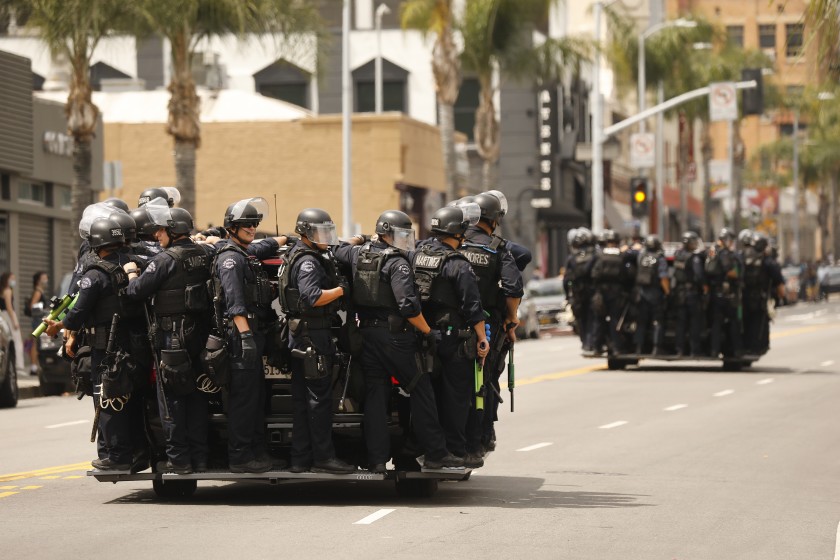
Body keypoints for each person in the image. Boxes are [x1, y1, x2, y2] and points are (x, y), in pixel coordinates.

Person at [333, 210, 463, 472]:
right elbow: (408, 307)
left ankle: (377, 461)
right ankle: (437, 453)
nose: (405, 239)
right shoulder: (398, 263)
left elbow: (338, 248)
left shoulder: (359, 254)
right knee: (421, 389)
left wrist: (359, 238)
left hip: (367, 336)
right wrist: (428, 332)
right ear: (388, 233)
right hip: (396, 338)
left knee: (375, 398)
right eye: (402, 234)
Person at [45, 216, 145, 471]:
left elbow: (78, 311)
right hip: (133, 343)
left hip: (106, 346)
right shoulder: (135, 263)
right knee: (131, 398)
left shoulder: (95, 273)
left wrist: (60, 325)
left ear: (96, 243)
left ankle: (118, 457)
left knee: (108, 399)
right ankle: (136, 451)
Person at [123, 203, 216, 474]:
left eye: (161, 231)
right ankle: (199, 458)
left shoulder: (166, 259)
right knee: (197, 397)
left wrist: (131, 273)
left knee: (172, 399)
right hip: (198, 337)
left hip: (172, 338)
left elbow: (136, 292)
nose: (156, 236)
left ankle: (179, 459)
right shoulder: (203, 254)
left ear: (173, 231)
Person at [277, 208, 356, 475]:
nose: (326, 237)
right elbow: (312, 296)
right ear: (307, 233)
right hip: (314, 336)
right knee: (318, 400)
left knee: (302, 400)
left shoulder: (298, 254)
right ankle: (323, 457)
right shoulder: (308, 261)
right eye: (321, 232)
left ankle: (300, 459)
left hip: (302, 335)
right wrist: (341, 290)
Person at [212, 197, 285, 473]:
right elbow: (234, 303)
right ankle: (241, 456)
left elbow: (262, 245)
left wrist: (285, 238)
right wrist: (245, 338)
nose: (252, 228)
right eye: (246, 224)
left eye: (255, 223)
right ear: (232, 227)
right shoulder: (231, 259)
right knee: (243, 400)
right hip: (242, 335)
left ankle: (257, 452)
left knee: (255, 398)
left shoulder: (245, 252)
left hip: (254, 333)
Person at [413, 204, 489, 466]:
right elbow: (472, 305)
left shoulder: (417, 254)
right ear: (458, 233)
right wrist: (482, 337)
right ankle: (454, 451)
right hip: (453, 338)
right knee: (456, 397)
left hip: (423, 335)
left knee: (427, 395)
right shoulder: (458, 264)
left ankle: (429, 448)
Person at [458, 191, 522, 457]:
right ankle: (481, 438)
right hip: (487, 326)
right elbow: (513, 289)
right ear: (495, 219)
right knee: (485, 382)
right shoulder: (498, 248)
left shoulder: (454, 243)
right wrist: (511, 319)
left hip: (451, 324)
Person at [741, 232, 784, 356]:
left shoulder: (742, 256)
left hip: (742, 298)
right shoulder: (768, 261)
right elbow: (779, 283)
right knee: (758, 324)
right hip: (759, 299)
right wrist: (781, 298)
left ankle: (744, 347)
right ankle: (755, 348)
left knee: (745, 323)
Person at [590, 230, 632, 354]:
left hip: (601, 292)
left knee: (599, 319)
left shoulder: (600, 255)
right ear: (617, 242)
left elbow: (594, 274)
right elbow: (626, 275)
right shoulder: (621, 255)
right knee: (615, 320)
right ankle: (617, 348)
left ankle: (597, 347)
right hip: (616, 292)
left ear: (607, 242)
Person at [706, 228, 742, 358]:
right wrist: (738, 275)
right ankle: (736, 351)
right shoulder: (724, 253)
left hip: (715, 293)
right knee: (733, 323)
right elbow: (730, 272)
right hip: (726, 295)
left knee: (716, 324)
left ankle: (714, 351)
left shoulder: (712, 250)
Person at [634, 236, 669, 355]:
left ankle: (639, 348)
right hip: (655, 294)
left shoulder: (641, 256)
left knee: (641, 322)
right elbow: (663, 278)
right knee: (657, 321)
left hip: (641, 293)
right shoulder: (660, 258)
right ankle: (657, 348)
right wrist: (668, 292)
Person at [673, 231, 706, 357]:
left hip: (679, 293)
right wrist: (704, 287)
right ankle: (694, 350)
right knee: (694, 323)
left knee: (681, 324)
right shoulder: (694, 257)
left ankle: (679, 350)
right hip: (692, 294)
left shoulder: (678, 255)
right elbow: (699, 275)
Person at [565, 228, 598, 354]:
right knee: (593, 318)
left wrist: (568, 295)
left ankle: (585, 343)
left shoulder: (571, 258)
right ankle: (591, 344)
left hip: (577, 294)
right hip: (592, 292)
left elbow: (566, 280)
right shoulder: (595, 256)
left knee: (581, 319)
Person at [0, 272, 25, 373]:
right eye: (12, 278)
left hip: (3, 316)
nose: (13, 280)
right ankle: (18, 366)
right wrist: (15, 321)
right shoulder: (8, 291)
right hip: (9, 317)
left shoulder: (2, 291)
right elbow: (9, 308)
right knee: (17, 341)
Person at [27, 271, 48, 375]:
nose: (46, 280)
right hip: (37, 322)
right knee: (35, 344)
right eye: (44, 278)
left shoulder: (41, 291)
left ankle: (37, 366)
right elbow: (32, 306)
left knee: (38, 344)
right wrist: (42, 311)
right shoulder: (38, 292)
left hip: (40, 321)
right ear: (38, 280)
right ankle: (33, 367)